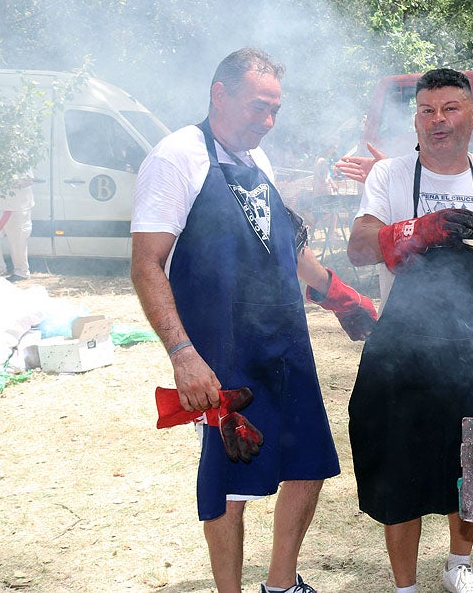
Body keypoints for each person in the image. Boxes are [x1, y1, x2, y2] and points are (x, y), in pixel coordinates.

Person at [130, 48, 376, 593]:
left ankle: (281, 584)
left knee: (309, 462)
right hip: (223, 350)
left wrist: (343, 298)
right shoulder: (177, 158)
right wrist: (182, 355)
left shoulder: (257, 162)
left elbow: (284, 251)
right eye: (257, 108)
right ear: (220, 94)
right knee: (229, 482)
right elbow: (146, 266)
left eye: (275, 112)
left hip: (284, 341)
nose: (267, 123)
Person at [345, 68, 473, 593]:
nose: (437, 120)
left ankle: (459, 565)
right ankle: (405, 586)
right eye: (426, 111)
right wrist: (413, 230)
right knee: (398, 466)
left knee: (468, 458)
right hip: (402, 345)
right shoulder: (392, 176)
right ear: (416, 119)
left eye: (449, 109)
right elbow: (359, 248)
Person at [0, 171, 35, 281]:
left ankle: (21, 272)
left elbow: (28, 181)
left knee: (18, 240)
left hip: (17, 207)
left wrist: (5, 181)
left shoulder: (20, 156)